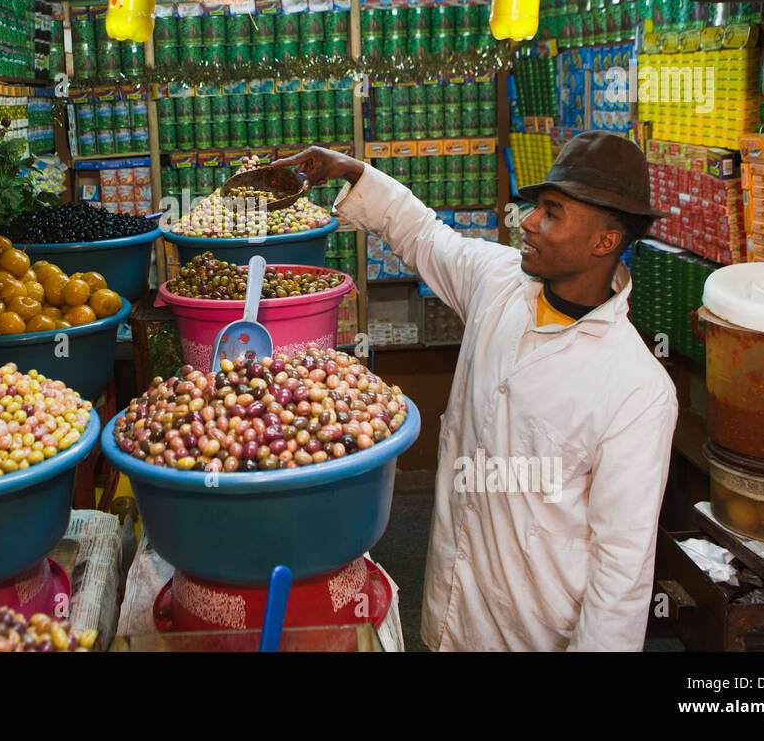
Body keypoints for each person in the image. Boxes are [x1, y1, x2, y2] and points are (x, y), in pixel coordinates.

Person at [272, 131, 678, 651]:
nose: (528, 222)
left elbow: (622, 569)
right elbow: (423, 234)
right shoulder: (500, 281)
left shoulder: (637, 389)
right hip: (453, 607)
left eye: (552, 213)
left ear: (605, 241)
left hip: (536, 632)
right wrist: (351, 171)